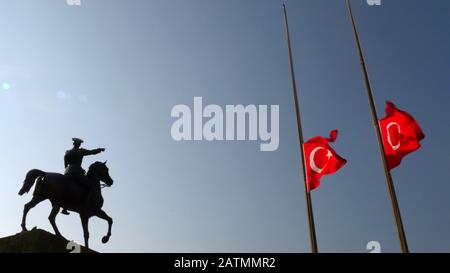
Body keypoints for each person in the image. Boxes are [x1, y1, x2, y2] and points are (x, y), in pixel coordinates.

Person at [61, 138, 105, 215]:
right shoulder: (80, 151)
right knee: (91, 186)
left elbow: (65, 164)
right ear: (79, 144)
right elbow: (92, 152)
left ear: (73, 144)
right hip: (77, 173)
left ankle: (64, 208)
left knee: (66, 188)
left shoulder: (67, 152)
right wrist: (99, 150)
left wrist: (67, 170)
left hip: (67, 172)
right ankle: (86, 204)